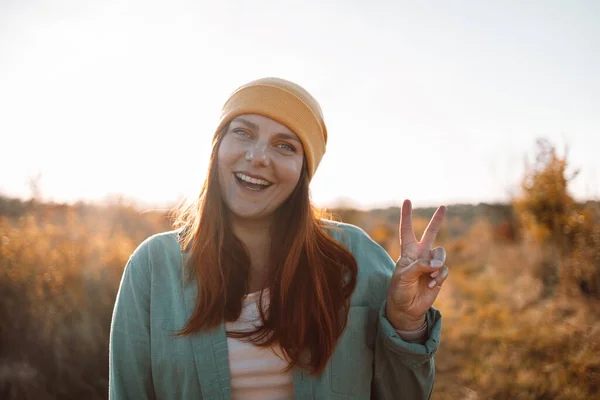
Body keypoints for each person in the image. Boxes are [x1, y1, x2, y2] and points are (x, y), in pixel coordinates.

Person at [109, 77, 449, 400]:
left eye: (285, 145)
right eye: (243, 133)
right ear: (217, 148)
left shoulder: (355, 256)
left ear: (304, 170)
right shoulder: (153, 266)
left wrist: (406, 324)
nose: (257, 157)